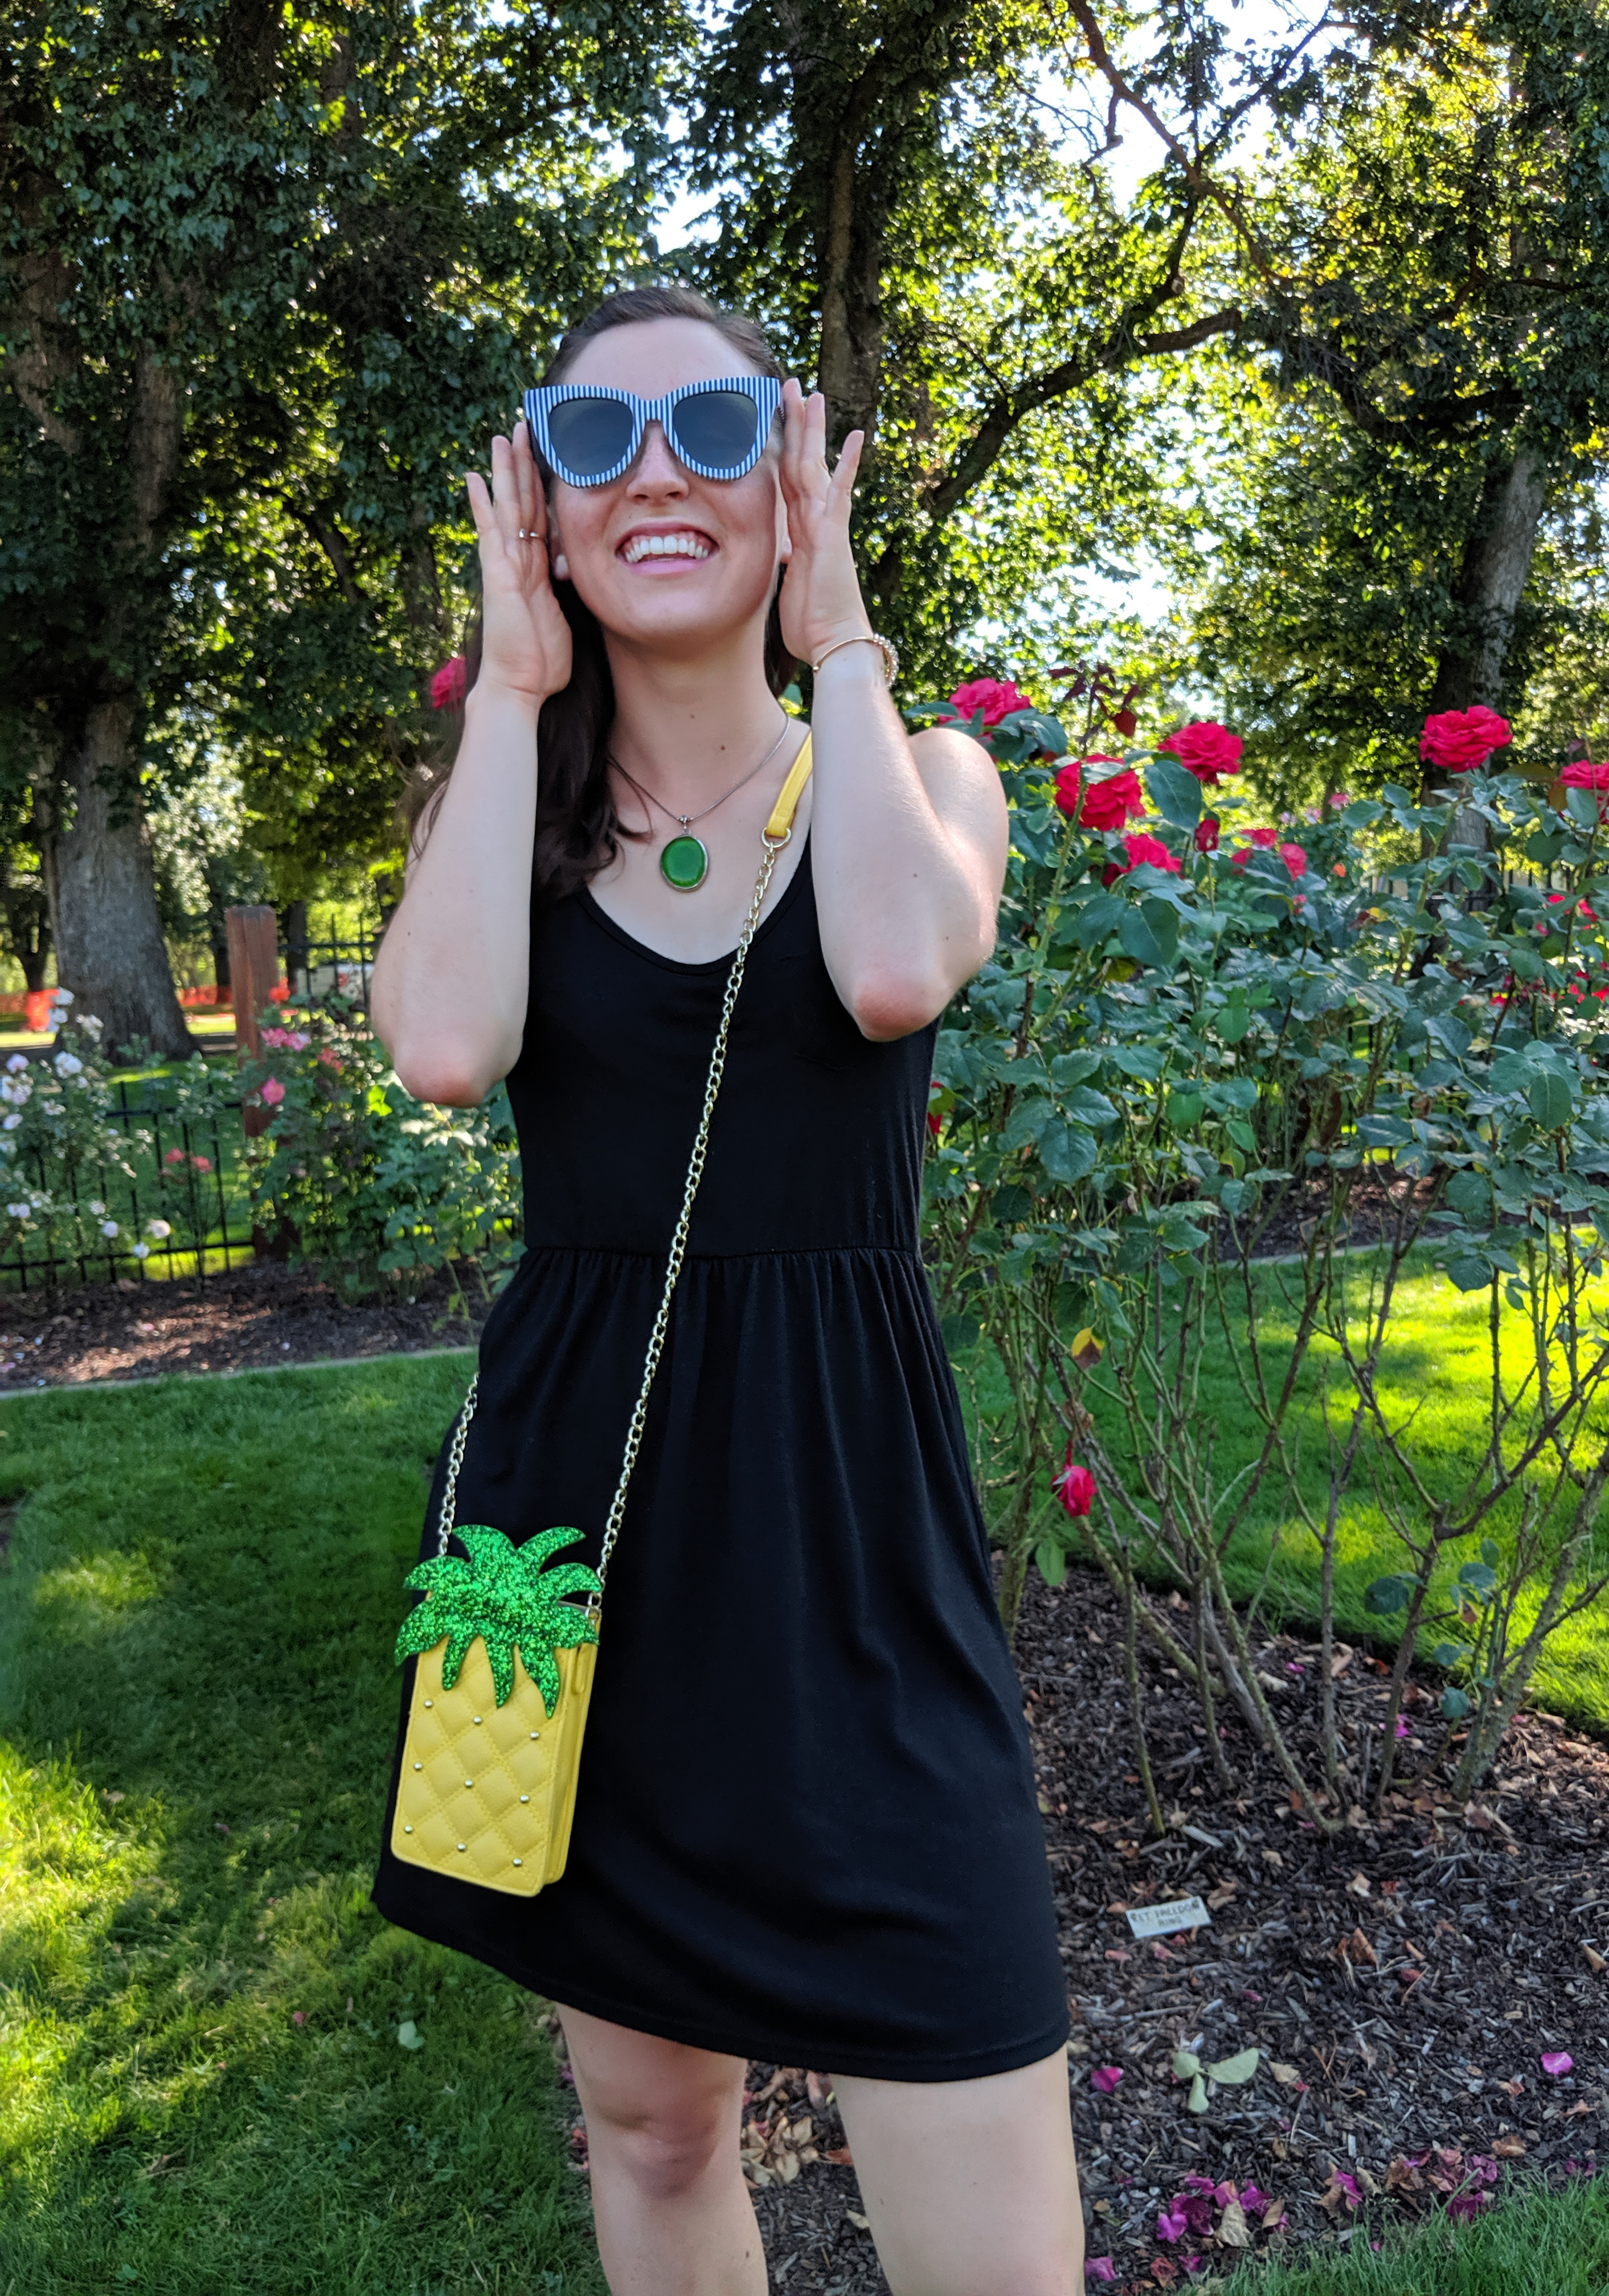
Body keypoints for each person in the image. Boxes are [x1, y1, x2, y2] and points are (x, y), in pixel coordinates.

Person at [370, 284, 1081, 2296]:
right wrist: (506, 693)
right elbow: (440, 1048)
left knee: (988, 2197)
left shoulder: (928, 773)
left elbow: (883, 970)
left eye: (714, 427)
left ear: (793, 475)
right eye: (591, 445)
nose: (654, 472)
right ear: (543, 513)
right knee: (656, 2132)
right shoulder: (514, 810)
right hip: (574, 1544)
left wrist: (836, 636)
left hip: (853, 1543)